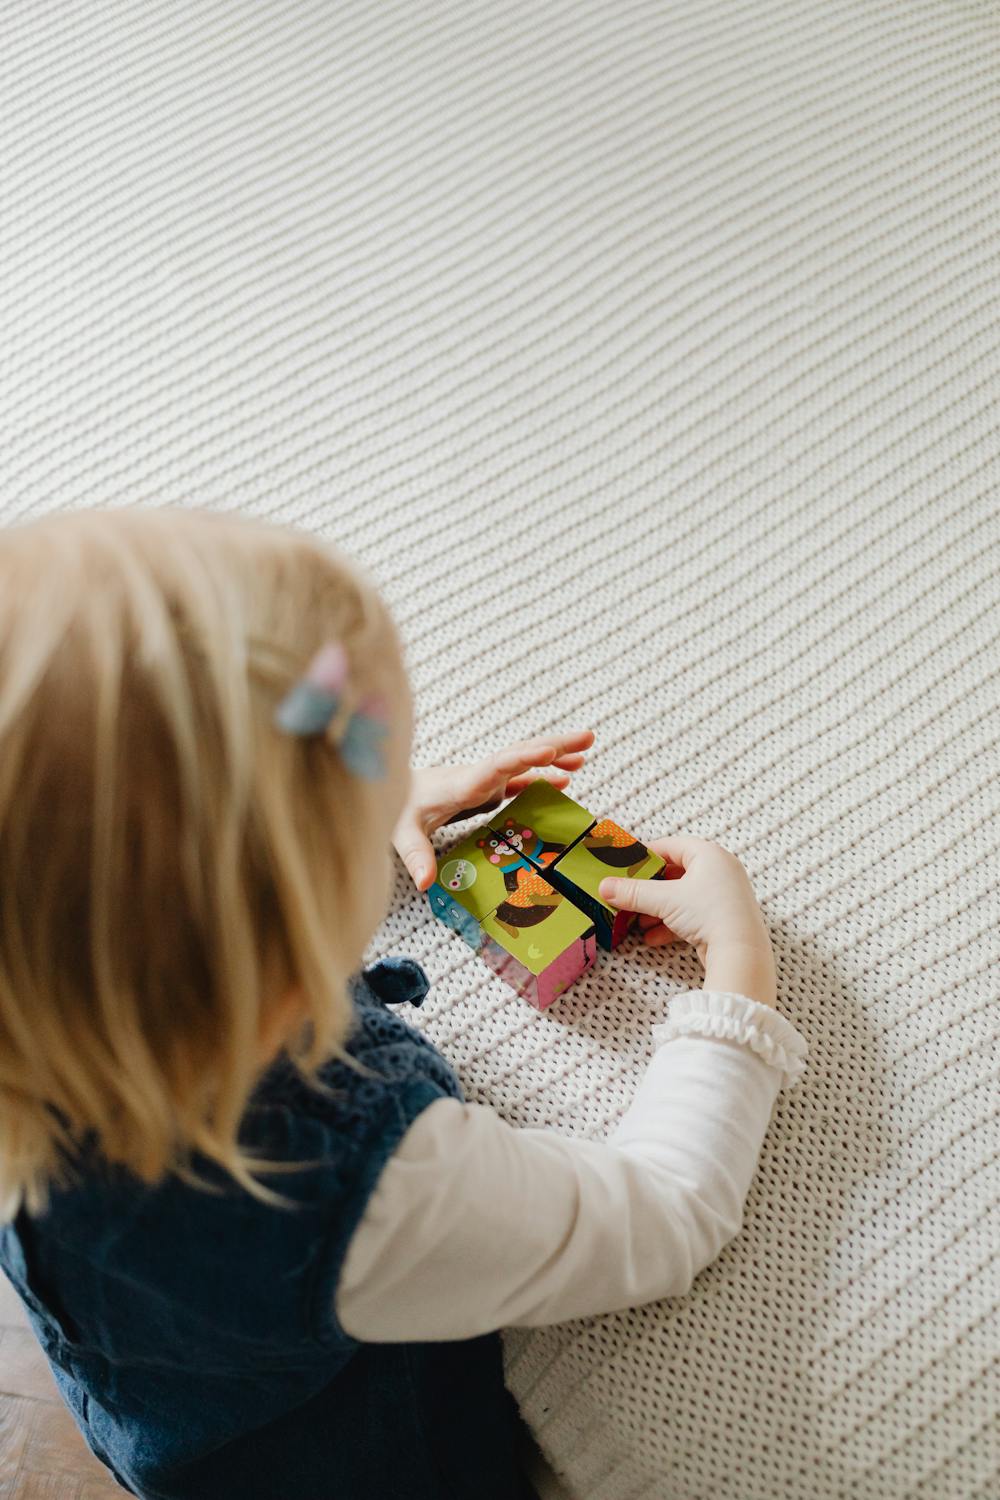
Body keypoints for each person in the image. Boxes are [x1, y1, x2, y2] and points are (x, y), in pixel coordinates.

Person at [0, 506, 807, 1500]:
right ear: (284, 933)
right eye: (350, 780)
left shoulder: (42, 991)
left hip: (151, 1400)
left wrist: (356, 801)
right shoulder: (352, 1181)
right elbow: (665, 1215)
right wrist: (737, 967)